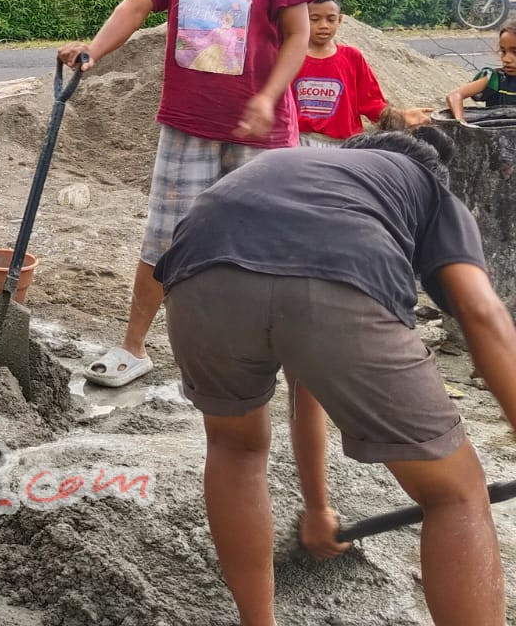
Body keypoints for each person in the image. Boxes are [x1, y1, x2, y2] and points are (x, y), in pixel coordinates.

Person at [154, 130, 516, 626]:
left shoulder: (306, 169)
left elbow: (311, 383)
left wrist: (318, 508)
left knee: (235, 449)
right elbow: (482, 312)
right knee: (454, 493)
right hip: (338, 277)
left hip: (198, 272)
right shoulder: (429, 188)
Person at [56, 0, 318, 388]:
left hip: (261, 134)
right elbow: (135, 5)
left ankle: (270, 350)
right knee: (166, 238)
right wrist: (93, 51)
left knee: (262, 243)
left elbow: (299, 35)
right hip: (188, 123)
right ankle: (133, 346)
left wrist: (270, 95)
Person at [294, 0, 390, 147]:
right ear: (301, 18)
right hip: (299, 144)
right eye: (315, 19)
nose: (323, 25)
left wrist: (399, 117)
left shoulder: (352, 57)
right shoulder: (290, 57)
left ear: (340, 19)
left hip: (343, 146)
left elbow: (372, 103)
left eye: (330, 19)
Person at [447, 23, 516, 121]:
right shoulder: (494, 79)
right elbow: (454, 95)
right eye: (503, 52)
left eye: (515, 52)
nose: (506, 59)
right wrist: (461, 122)